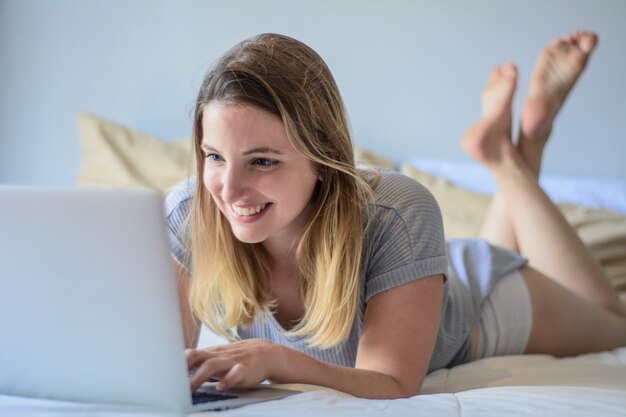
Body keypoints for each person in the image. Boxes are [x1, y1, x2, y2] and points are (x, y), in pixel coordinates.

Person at [165, 31, 626, 399]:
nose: (228, 190)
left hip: (481, 305)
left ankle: (514, 152)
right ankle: (514, 144)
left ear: (322, 159)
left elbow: (393, 382)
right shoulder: (189, 215)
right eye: (214, 157)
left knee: (616, 324)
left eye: (262, 161)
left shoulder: (399, 210)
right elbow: (161, 364)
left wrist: (275, 358)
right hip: (418, 276)